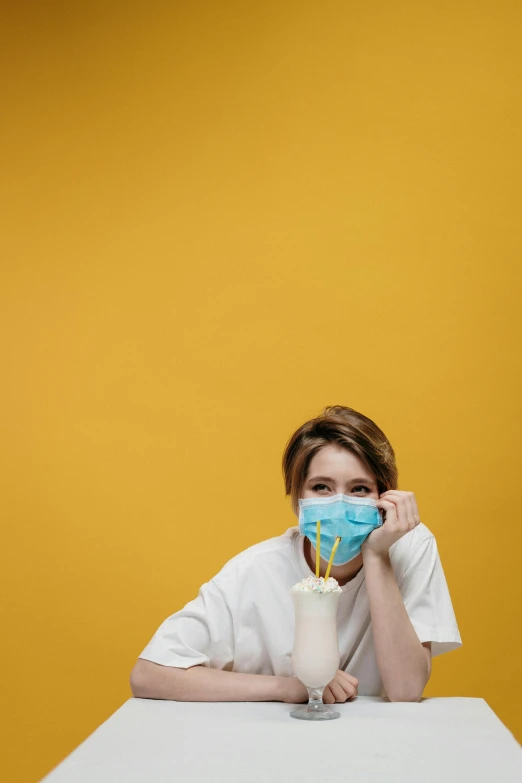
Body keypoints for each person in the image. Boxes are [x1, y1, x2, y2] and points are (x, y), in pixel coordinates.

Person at [130, 405, 461, 704]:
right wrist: (288, 688)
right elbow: (148, 675)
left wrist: (377, 555)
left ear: (384, 495)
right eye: (321, 488)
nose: (340, 503)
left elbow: (406, 691)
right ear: (296, 498)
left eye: (359, 489)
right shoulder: (256, 570)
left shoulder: (410, 548)